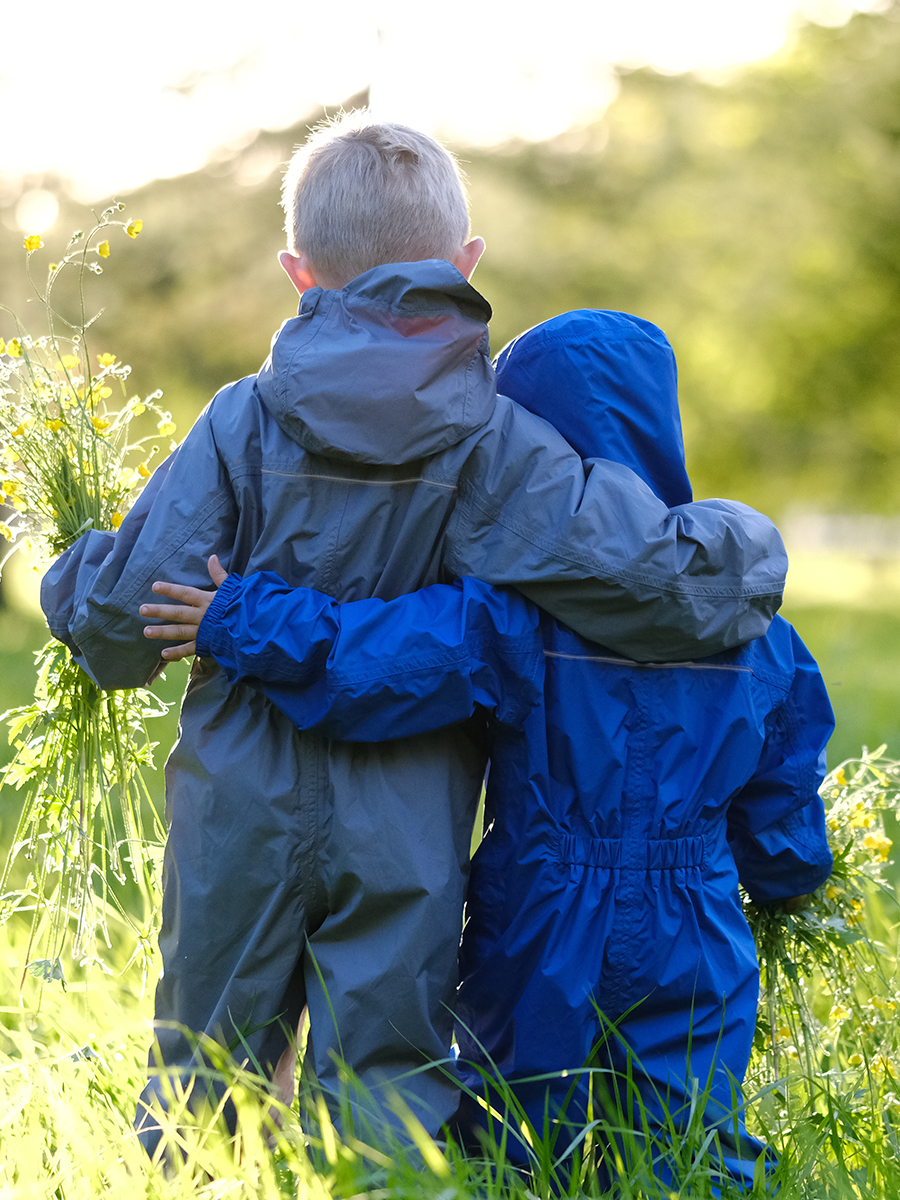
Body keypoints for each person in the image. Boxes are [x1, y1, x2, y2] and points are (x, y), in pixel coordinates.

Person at [42, 115, 788, 1153]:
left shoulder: (238, 423)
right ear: (465, 264)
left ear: (299, 273)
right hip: (410, 812)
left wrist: (70, 572)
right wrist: (749, 548)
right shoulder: (498, 444)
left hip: (237, 802)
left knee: (204, 1065)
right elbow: (655, 587)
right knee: (388, 1079)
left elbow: (124, 624)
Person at [143, 310, 833, 1190]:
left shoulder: (517, 616)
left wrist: (238, 617)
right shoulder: (761, 631)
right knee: (686, 1131)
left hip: (541, 918)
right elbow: (784, 786)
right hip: (693, 922)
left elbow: (375, 653)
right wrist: (787, 881)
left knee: (517, 1131)